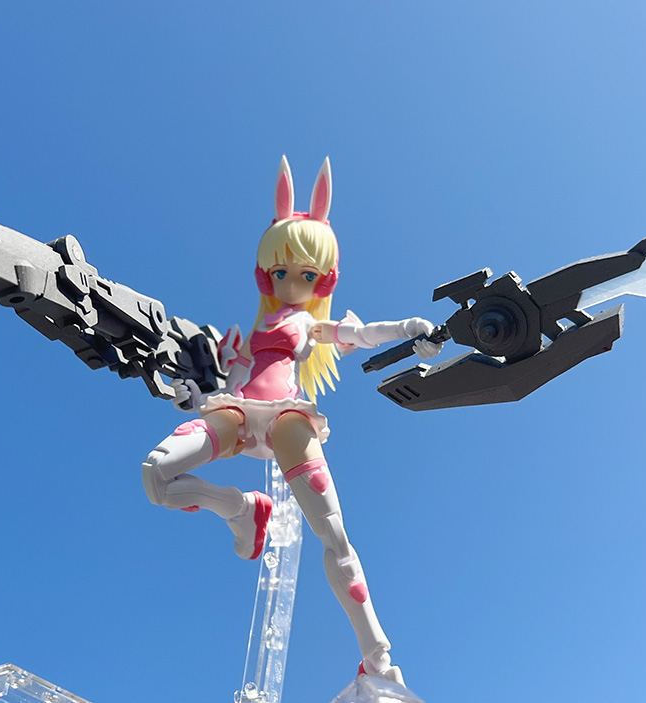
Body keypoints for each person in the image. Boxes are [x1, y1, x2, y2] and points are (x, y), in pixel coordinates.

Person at [140, 156, 440, 685]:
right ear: (266, 273)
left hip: (287, 419)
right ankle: (241, 509)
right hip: (236, 411)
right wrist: (191, 396)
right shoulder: (246, 336)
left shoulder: (309, 324)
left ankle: (378, 659)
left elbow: (362, 334)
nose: (292, 280)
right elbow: (224, 382)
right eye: (281, 271)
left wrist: (411, 328)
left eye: (306, 273)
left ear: (324, 279)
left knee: (334, 536)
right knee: (156, 475)